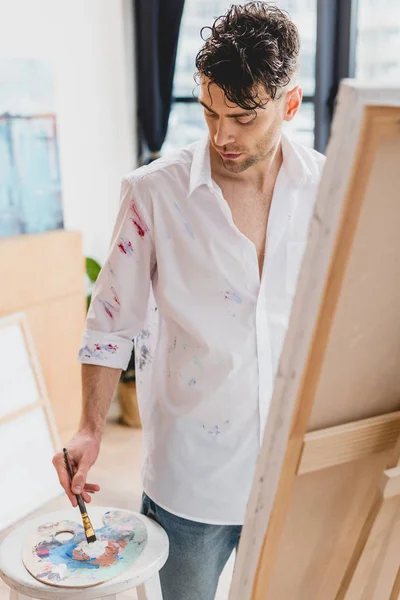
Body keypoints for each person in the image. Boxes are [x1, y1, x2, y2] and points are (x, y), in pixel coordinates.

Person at [52, 3, 325, 599]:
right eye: (209, 111)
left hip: (294, 475)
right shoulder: (152, 194)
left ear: (291, 104)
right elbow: (110, 323)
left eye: (243, 117)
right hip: (190, 481)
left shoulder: (329, 191)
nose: (222, 134)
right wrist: (90, 428)